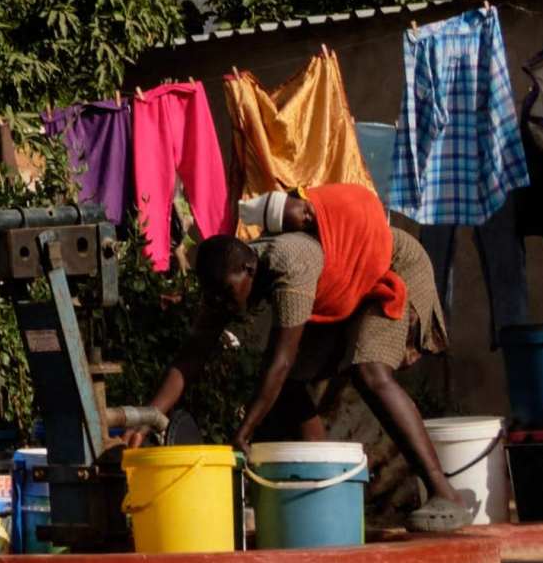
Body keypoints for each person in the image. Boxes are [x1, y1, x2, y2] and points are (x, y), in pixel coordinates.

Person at [143, 184, 474, 534]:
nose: (224, 305)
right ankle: (327, 487)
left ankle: (444, 492)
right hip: (343, 286)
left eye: (227, 295)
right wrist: (152, 415)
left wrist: (244, 432)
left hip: (391, 270)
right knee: (289, 388)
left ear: (250, 270)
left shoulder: (290, 264)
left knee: (369, 372)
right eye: (215, 299)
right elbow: (192, 354)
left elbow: (280, 360)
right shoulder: (225, 280)